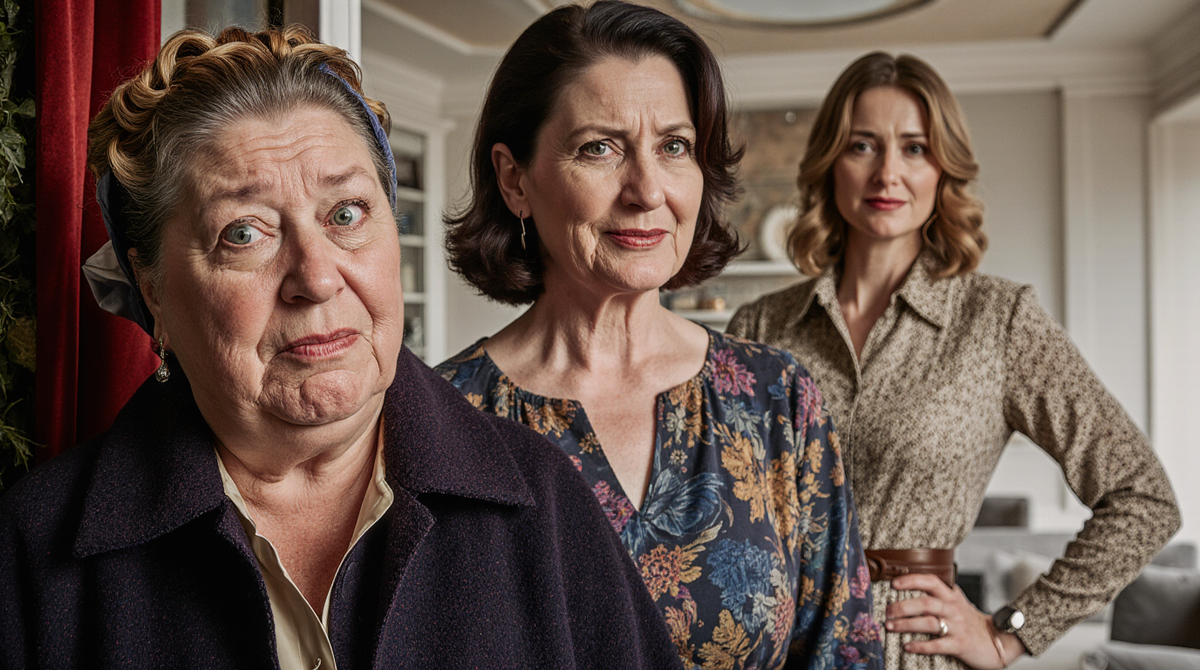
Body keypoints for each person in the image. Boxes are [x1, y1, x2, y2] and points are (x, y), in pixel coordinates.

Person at [0, 25, 687, 670]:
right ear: (152, 290)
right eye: (244, 233)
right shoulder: (35, 549)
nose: (318, 277)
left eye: (347, 214)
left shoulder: (545, 503)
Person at [435, 3, 882, 669]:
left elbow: (843, 649)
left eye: (674, 147)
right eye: (599, 148)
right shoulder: (442, 419)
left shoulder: (776, 400)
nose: (647, 190)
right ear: (514, 179)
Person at [727, 51, 1180, 670]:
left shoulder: (999, 321)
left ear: (944, 170)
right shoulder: (760, 329)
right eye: (862, 145)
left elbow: (1143, 497)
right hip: (776, 649)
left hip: (913, 652)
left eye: (914, 148)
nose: (888, 172)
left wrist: (1011, 631)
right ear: (831, 162)